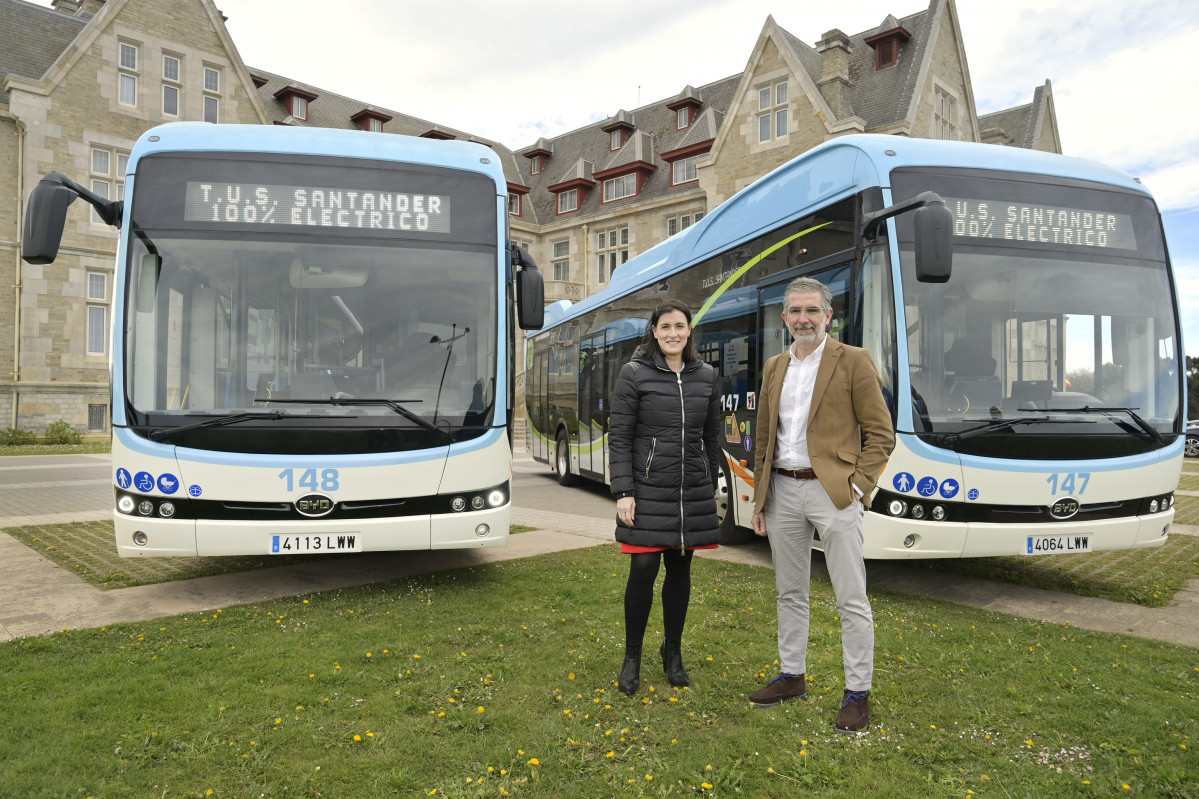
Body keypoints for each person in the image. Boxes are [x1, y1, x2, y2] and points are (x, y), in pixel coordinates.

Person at [748, 276, 895, 734]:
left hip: (832, 493)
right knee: (790, 592)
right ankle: (792, 676)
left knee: (851, 597)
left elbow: (881, 434)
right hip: (782, 494)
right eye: (795, 311)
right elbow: (765, 437)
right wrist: (759, 497)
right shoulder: (775, 366)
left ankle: (857, 693)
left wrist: (856, 486)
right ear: (785, 317)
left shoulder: (853, 361)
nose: (804, 319)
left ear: (829, 316)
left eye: (812, 310)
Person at [608, 299, 723, 695]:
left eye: (680, 326)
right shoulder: (634, 374)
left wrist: (713, 479)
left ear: (689, 330)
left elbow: (712, 435)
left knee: (680, 571)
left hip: (691, 491)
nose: (673, 333)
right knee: (642, 572)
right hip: (646, 490)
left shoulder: (706, 376)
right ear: (654, 332)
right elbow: (620, 436)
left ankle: (672, 652)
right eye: (665, 326)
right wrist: (623, 490)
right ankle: (632, 656)